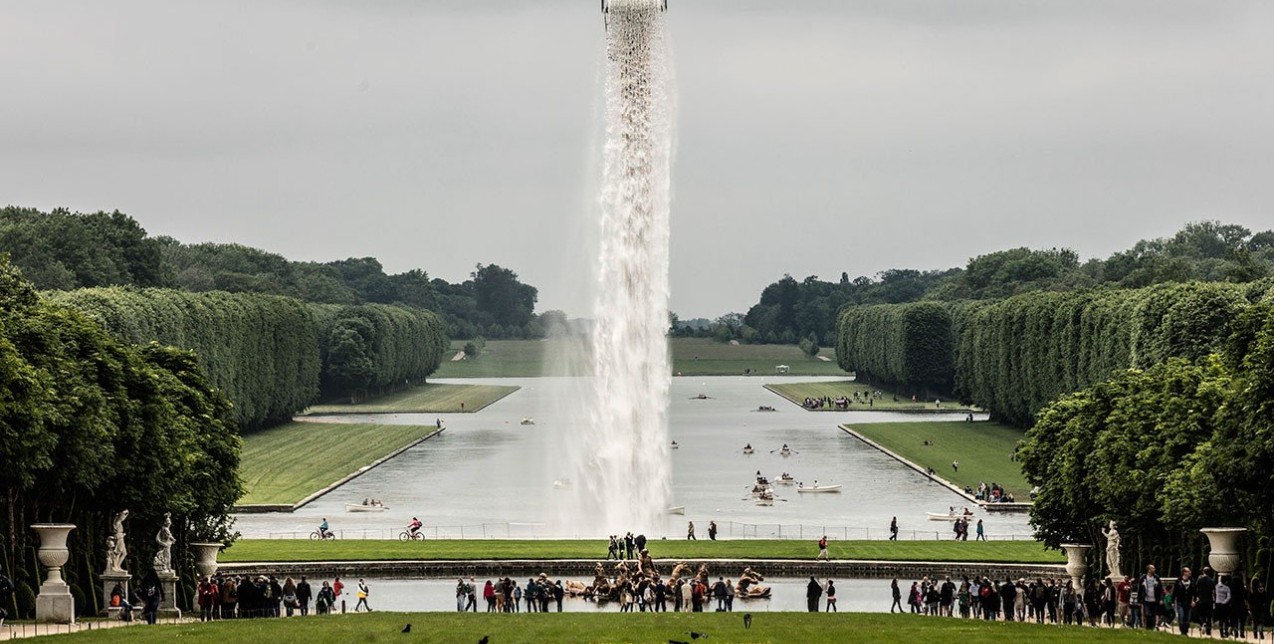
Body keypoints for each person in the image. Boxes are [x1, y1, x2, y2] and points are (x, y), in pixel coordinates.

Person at [1141, 564, 1164, 630]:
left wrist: (1161, 598)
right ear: (1149, 570)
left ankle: (1153, 626)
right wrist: (1140, 599)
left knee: (1154, 614)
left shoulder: (1156, 578)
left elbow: (1160, 589)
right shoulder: (1143, 578)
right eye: (1153, 568)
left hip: (1155, 599)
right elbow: (1140, 589)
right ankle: (1148, 627)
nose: (1154, 569)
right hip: (1146, 599)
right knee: (1148, 613)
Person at [1172, 567, 1193, 636]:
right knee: (1182, 616)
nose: (1190, 572)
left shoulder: (1192, 581)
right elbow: (1174, 592)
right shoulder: (1178, 582)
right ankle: (1182, 631)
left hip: (1189, 602)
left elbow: (1194, 592)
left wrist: (1194, 600)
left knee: (1188, 618)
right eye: (1188, 571)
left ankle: (1186, 630)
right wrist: (1172, 601)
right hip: (1180, 602)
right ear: (1184, 573)